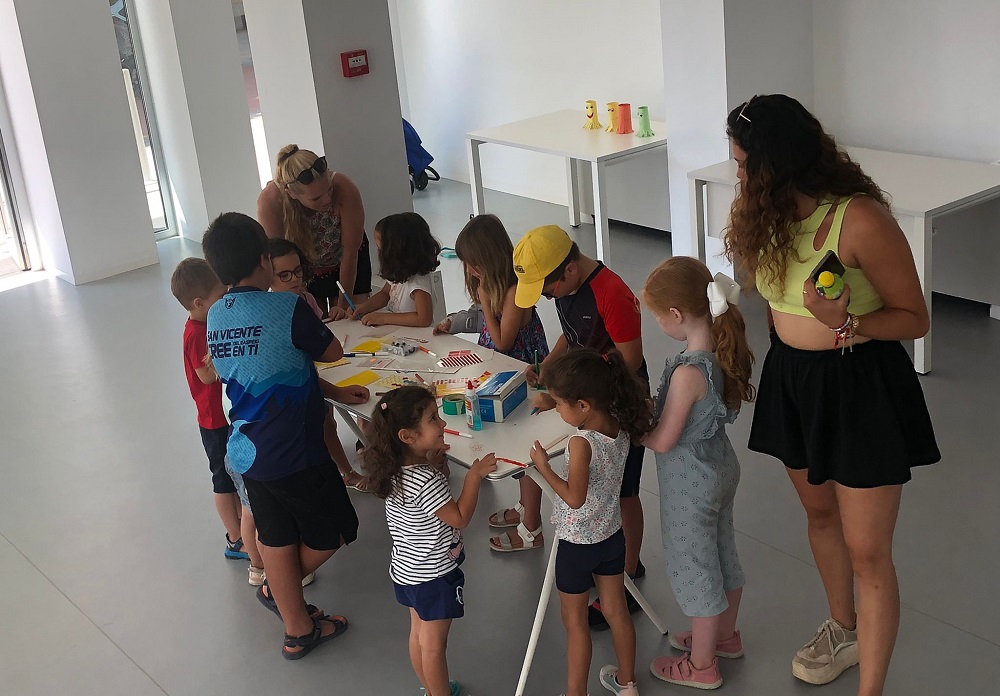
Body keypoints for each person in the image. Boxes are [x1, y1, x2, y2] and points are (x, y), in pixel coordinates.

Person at [725, 94, 940, 695]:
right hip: (794, 381)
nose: (736, 175)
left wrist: (846, 322)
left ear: (774, 164)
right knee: (820, 515)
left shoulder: (860, 220)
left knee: (867, 549)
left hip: (859, 384)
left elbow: (916, 319)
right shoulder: (763, 215)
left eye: (742, 164)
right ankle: (844, 628)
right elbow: (770, 297)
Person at [203, 212, 368, 660]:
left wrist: (334, 393)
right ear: (264, 260)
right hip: (296, 451)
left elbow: (270, 369)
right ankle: (282, 592)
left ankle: (297, 629)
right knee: (336, 529)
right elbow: (332, 351)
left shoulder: (215, 315)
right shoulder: (287, 308)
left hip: (247, 450)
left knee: (276, 536)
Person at [495, 225, 649, 630]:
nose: (546, 297)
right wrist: (551, 369)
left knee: (624, 491)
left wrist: (576, 391)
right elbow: (572, 333)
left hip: (616, 404)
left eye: (547, 289)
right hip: (585, 397)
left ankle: (629, 571)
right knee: (596, 488)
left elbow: (630, 359)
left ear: (570, 270)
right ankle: (610, 558)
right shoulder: (566, 289)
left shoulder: (611, 293)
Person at [641, 258, 754, 690]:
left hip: (690, 484)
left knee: (695, 568)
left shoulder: (688, 372)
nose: (658, 324)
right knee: (723, 554)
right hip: (719, 469)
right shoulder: (718, 354)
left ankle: (702, 664)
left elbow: (664, 440)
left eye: (658, 316)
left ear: (676, 315)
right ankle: (724, 636)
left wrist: (634, 430)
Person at [528, 348, 654, 696]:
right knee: (617, 612)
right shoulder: (618, 425)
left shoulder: (581, 443)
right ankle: (627, 683)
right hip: (611, 537)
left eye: (560, 404)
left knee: (575, 625)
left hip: (576, 546)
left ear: (583, 405)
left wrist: (544, 468)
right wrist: (556, 403)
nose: (558, 409)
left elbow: (574, 498)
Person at [365, 386, 497, 696]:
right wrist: (473, 477)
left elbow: (424, 505)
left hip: (407, 571)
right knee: (435, 646)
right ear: (407, 436)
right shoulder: (426, 481)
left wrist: (434, 467)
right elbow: (459, 517)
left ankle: (430, 688)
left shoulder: (396, 470)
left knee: (419, 635)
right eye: (433, 418)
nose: (442, 424)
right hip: (434, 576)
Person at [268, 237, 370, 491]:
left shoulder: (306, 298)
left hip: (318, 375)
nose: (295, 279)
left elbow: (318, 333)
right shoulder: (274, 312)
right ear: (267, 277)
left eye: (298, 271)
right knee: (323, 426)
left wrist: (334, 316)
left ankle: (342, 469)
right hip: (299, 388)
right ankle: (346, 473)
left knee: (328, 423)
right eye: (284, 275)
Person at [169, 258, 246, 561]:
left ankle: (242, 526)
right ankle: (235, 538)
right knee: (222, 479)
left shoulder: (204, 324)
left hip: (222, 413)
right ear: (199, 303)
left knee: (233, 472)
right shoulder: (195, 334)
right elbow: (206, 375)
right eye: (219, 296)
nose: (225, 299)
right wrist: (234, 361)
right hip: (213, 419)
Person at [257, 144, 372, 318]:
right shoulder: (270, 201)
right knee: (315, 317)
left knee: (350, 316)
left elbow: (350, 253)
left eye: (329, 190)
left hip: (348, 259)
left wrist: (342, 306)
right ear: (291, 193)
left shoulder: (345, 187)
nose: (327, 200)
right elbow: (278, 258)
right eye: (316, 198)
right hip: (306, 267)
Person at [447, 213, 549, 363]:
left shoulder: (514, 291)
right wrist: (452, 322)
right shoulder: (491, 284)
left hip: (519, 366)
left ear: (491, 259)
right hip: (496, 361)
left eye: (473, 264)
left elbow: (503, 343)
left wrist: (485, 301)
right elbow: (483, 321)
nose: (468, 270)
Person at [347, 212, 440, 328]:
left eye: (380, 249)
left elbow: (424, 319)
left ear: (397, 252)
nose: (379, 253)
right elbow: (385, 294)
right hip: (398, 332)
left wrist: (383, 318)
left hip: (416, 335)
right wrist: (363, 307)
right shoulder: (400, 272)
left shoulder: (418, 282)